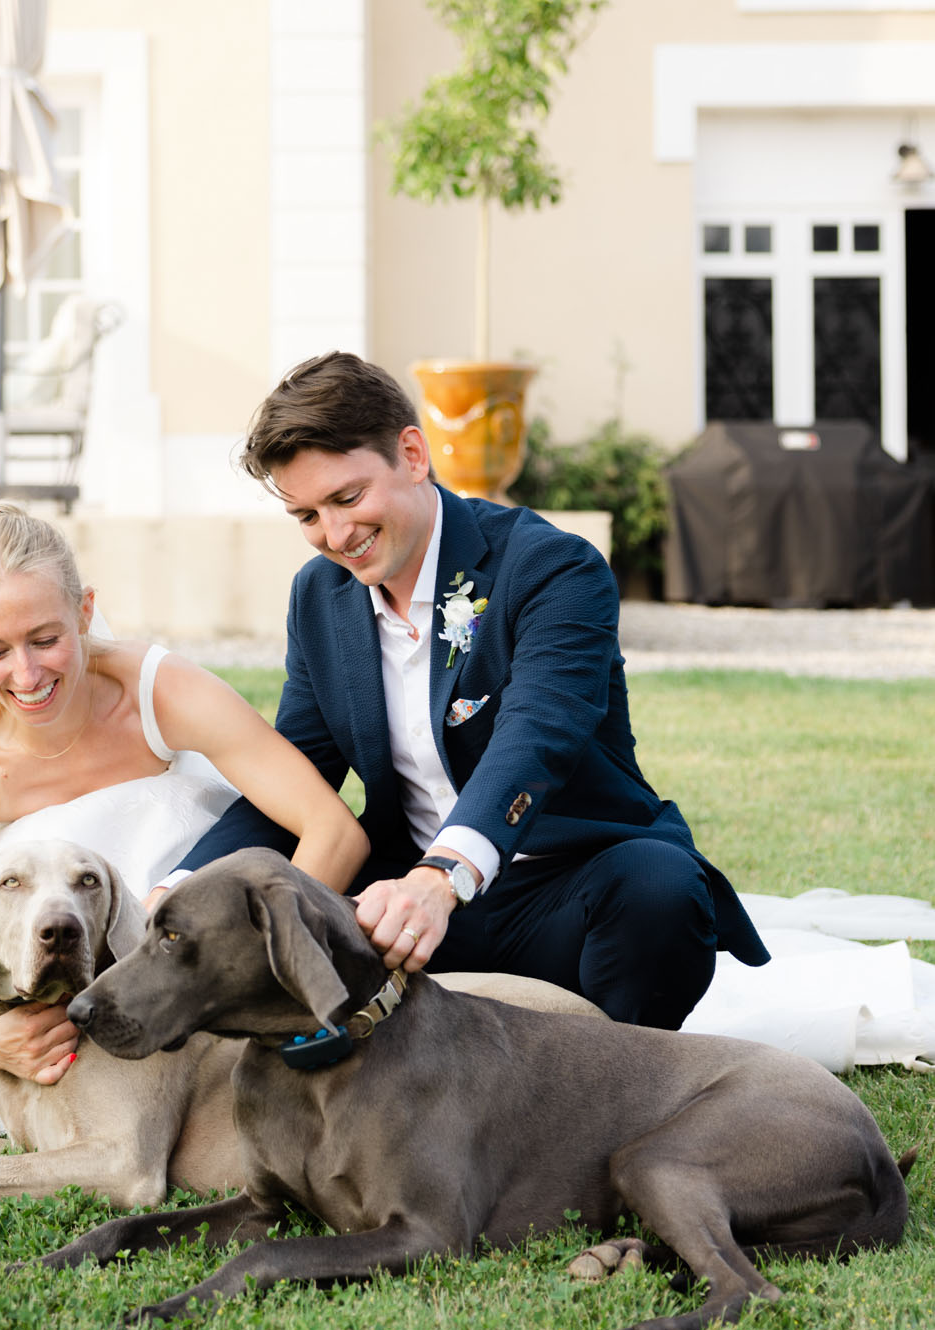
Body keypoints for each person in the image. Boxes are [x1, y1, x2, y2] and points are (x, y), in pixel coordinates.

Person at [163, 351, 769, 1030]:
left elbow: (535, 738)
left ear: (413, 455)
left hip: (565, 888)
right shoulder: (319, 597)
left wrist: (441, 879)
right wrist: (173, 896)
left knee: (661, 891)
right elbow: (294, 778)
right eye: (306, 514)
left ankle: (613, 1085)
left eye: (347, 497)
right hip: (405, 901)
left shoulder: (553, 568)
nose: (335, 536)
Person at [0, 501, 368, 1125]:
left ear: (85, 611)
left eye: (46, 639)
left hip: (171, 887)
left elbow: (332, 830)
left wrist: (258, 965)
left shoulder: (160, 689)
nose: (27, 673)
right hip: (32, 921)